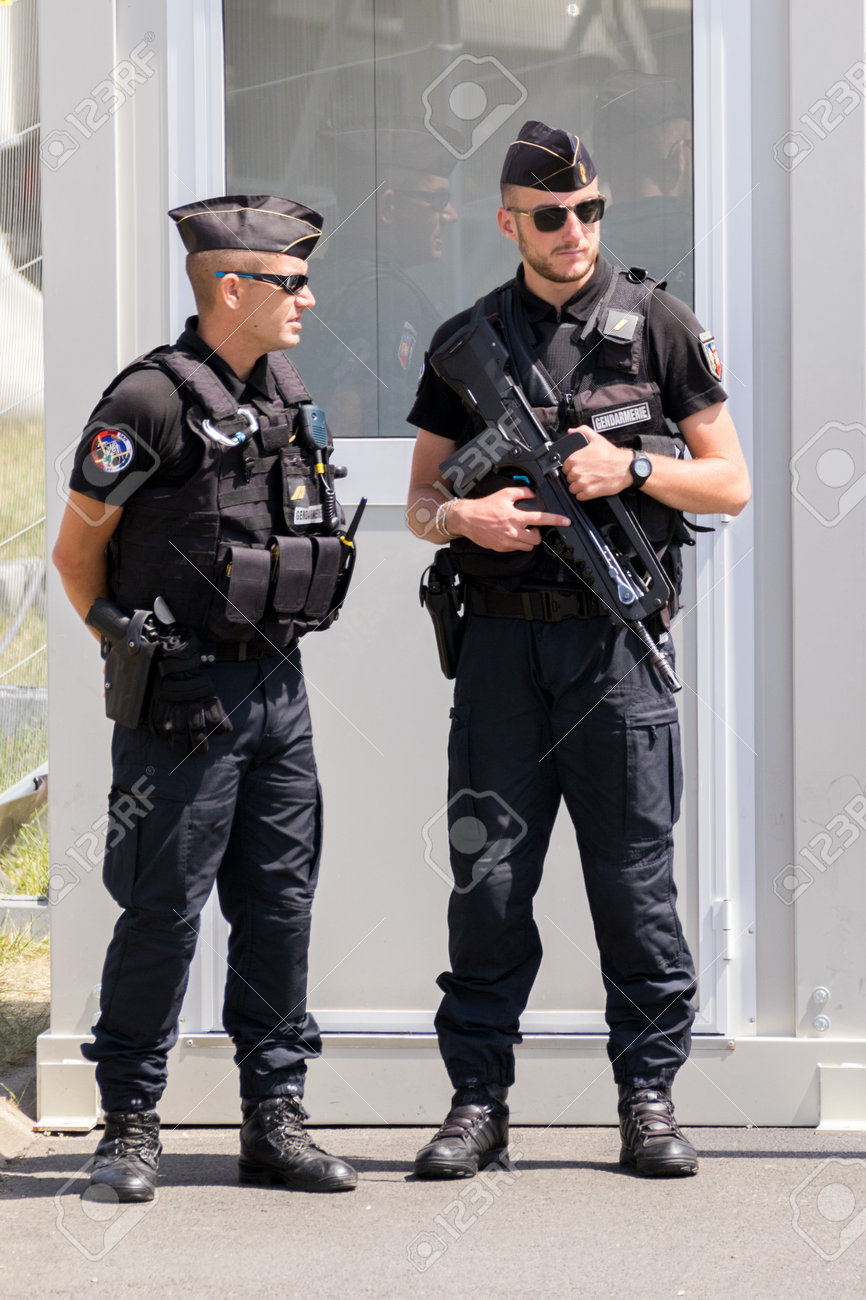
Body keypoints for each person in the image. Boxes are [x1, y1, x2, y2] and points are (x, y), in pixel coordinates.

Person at [406, 121, 750, 1179]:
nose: (573, 231)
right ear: (507, 222)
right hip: (503, 652)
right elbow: (420, 498)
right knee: (488, 880)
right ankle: (477, 1101)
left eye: (589, 211)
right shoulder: (466, 339)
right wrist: (465, 523)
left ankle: (645, 1097)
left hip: (614, 655)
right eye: (550, 216)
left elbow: (728, 482)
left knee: (633, 882)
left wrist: (631, 475)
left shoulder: (657, 327)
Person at [52, 195, 360, 1200]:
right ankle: (129, 1125)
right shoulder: (145, 402)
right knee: (162, 910)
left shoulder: (286, 391)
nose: (308, 297)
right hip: (183, 706)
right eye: (291, 281)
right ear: (233, 287)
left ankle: (273, 1118)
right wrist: (121, 638)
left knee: (279, 907)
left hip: (279, 695)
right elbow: (75, 552)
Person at [302, 126, 457, 437]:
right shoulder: (385, 294)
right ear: (389, 206)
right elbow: (355, 412)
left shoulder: (319, 279)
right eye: (438, 200)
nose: (450, 215)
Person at [592, 70, 694, 304]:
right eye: (689, 145)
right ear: (678, 159)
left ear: (603, 165)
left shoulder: (580, 253)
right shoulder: (712, 245)